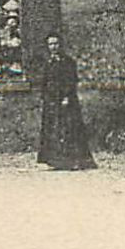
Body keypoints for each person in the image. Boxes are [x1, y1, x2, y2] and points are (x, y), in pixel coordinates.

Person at [36, 34, 96, 170]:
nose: (53, 47)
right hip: (51, 101)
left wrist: (67, 97)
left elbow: (71, 81)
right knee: (53, 130)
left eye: (56, 44)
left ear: (60, 45)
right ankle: (55, 161)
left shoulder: (68, 62)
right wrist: (45, 98)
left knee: (69, 129)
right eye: (50, 44)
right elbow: (44, 82)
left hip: (66, 100)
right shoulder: (48, 62)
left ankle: (74, 160)